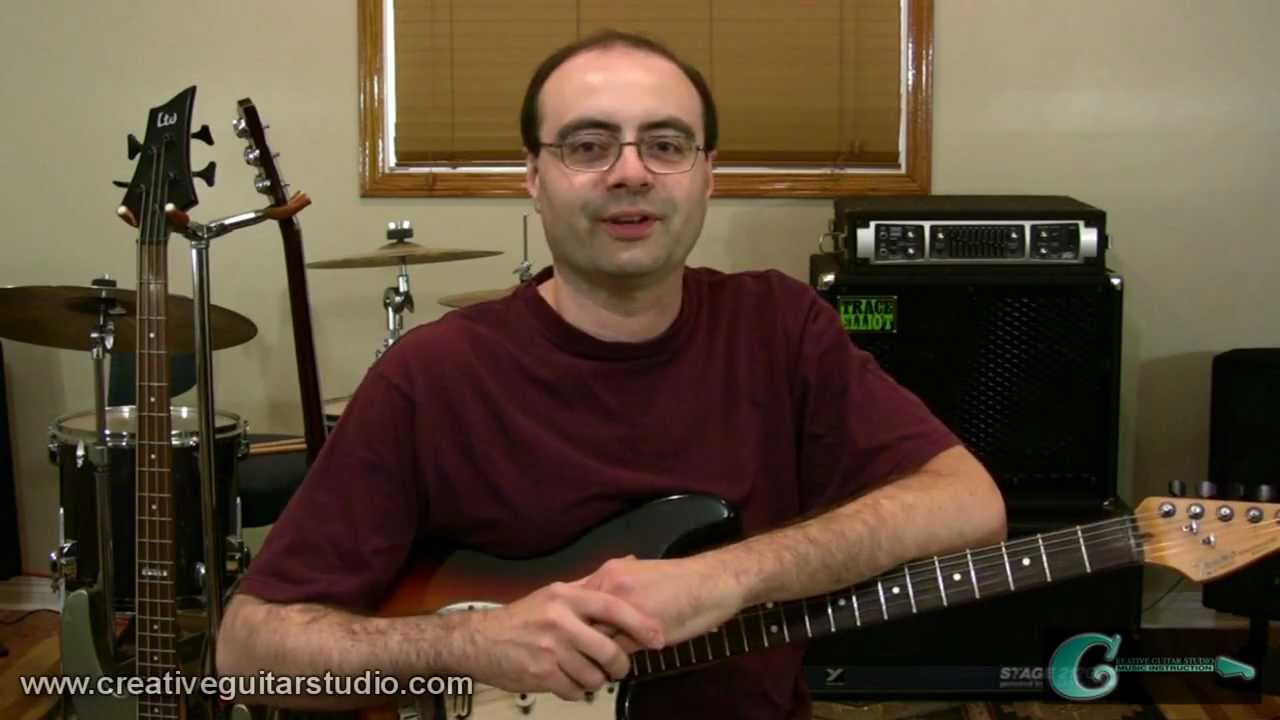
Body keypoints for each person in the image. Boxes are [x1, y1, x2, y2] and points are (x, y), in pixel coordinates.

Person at [216, 30, 1007, 720]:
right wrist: (470, 643)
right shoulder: (431, 375)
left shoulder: (781, 329)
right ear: (533, 176)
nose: (631, 172)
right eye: (588, 146)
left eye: (666, 144)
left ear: (707, 174)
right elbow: (249, 651)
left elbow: (968, 502)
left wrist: (730, 576)